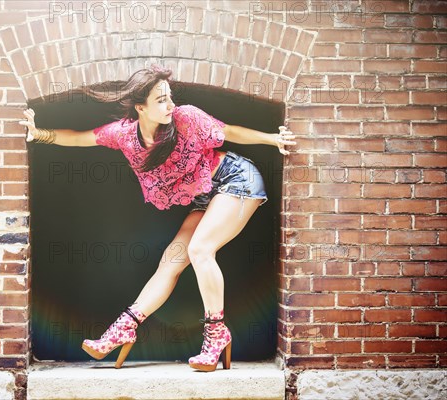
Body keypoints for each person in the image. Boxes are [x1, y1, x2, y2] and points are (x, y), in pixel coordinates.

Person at [20, 64, 296, 372]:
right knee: (171, 260)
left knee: (201, 250)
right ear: (141, 107)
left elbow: (228, 131)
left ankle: (216, 334)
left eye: (169, 97)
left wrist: (274, 139)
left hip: (236, 179)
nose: (170, 105)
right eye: (161, 100)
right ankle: (123, 328)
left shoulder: (186, 117)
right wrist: (39, 134)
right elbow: (79, 138)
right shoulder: (124, 135)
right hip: (207, 194)